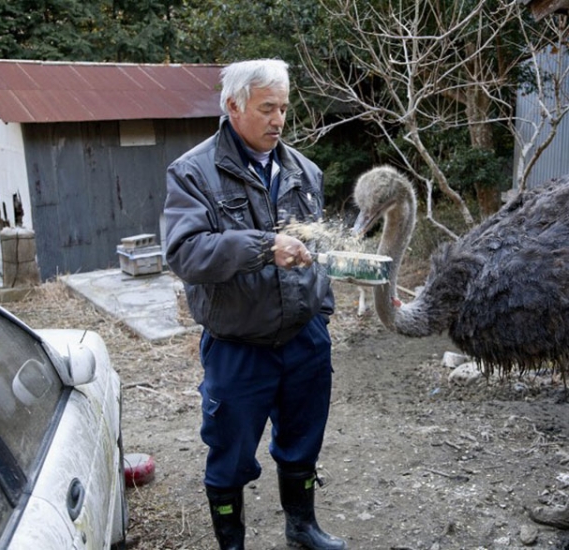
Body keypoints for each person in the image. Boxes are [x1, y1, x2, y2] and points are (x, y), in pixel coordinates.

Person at [163, 59, 346, 550]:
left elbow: (319, 251)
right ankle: (232, 544)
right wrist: (264, 247)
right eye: (267, 108)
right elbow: (184, 252)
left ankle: (301, 527)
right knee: (230, 451)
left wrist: (321, 316)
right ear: (233, 105)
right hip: (237, 345)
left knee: (303, 438)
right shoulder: (193, 173)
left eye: (284, 108)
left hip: (304, 340)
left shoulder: (303, 172)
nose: (278, 120)